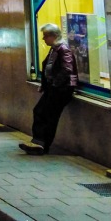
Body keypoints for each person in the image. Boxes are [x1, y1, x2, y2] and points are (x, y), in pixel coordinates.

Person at [20, 23, 78, 155]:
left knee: (47, 114)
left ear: (53, 36)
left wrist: (54, 84)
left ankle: (41, 144)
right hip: (54, 88)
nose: (43, 39)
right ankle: (39, 142)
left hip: (61, 90)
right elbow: (49, 68)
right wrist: (45, 84)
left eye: (45, 36)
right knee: (41, 112)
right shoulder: (55, 49)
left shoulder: (64, 49)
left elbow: (67, 70)